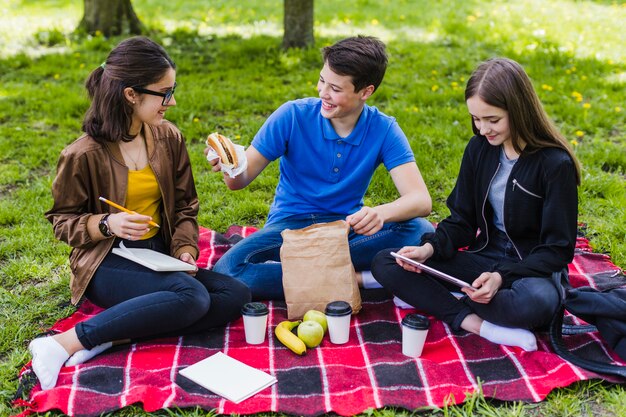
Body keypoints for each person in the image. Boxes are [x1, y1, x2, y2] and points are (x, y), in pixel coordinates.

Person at [29, 36, 251, 391]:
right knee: (192, 297)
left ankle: (113, 335)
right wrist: (106, 222)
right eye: (164, 92)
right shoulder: (83, 154)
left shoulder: (168, 138)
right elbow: (62, 220)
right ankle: (61, 343)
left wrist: (185, 250)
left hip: (158, 256)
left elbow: (184, 206)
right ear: (131, 94)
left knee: (235, 295)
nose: (172, 101)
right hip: (106, 261)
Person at [372, 57, 581, 351]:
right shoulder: (479, 149)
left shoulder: (554, 164)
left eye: (492, 120)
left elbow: (558, 250)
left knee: (534, 304)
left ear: (519, 110)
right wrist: (428, 249)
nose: (483, 129)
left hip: (530, 272)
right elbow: (463, 221)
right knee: (388, 261)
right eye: (476, 119)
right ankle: (477, 324)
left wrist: (501, 277)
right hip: (485, 257)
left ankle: (437, 296)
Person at [206, 35, 434, 300]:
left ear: (365, 91)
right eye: (322, 80)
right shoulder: (292, 115)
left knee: (421, 231)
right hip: (289, 229)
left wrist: (381, 213)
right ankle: (353, 278)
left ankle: (312, 274)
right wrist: (228, 164)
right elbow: (238, 182)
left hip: (343, 230)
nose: (322, 92)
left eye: (336, 88)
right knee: (229, 271)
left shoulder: (384, 129)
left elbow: (421, 200)